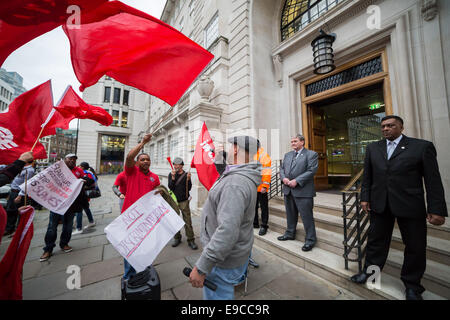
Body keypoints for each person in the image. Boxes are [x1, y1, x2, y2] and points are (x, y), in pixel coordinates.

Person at [350, 115, 447, 300]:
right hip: (380, 205)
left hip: (410, 205)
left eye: (390, 126)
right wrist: (365, 198)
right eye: (383, 126)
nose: (386, 129)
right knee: (375, 243)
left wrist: (437, 209)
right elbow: (368, 177)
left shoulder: (421, 147)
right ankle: (370, 274)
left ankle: (412, 287)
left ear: (401, 127)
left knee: (415, 247)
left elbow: (433, 180)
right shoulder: (373, 148)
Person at [189, 136, 262, 300]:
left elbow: (227, 231)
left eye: (230, 147)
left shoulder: (234, 184)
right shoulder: (240, 173)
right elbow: (224, 170)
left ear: (235, 149)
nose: (227, 149)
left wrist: (202, 267)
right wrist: (220, 153)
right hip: (232, 253)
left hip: (222, 261)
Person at [39, 154, 94, 262]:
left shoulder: (79, 171)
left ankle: (64, 244)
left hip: (71, 204)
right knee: (52, 227)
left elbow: (89, 180)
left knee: (68, 226)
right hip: (57, 203)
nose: (72, 161)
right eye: (70, 159)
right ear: (65, 160)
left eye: (74, 159)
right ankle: (48, 249)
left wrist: (84, 180)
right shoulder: (57, 169)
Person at [122, 133, 160, 280]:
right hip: (130, 217)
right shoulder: (131, 171)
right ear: (137, 162)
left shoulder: (154, 177)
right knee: (130, 247)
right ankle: (128, 275)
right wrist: (143, 142)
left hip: (146, 218)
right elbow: (129, 157)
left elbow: (157, 194)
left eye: (147, 159)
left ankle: (144, 270)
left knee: (146, 246)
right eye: (142, 159)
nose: (145, 161)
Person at [278, 134, 319, 252]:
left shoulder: (311, 154)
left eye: (295, 141)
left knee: (307, 217)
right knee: (290, 214)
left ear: (302, 142)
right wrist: (284, 178)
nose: (292, 143)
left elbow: (311, 170)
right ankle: (290, 233)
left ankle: (310, 240)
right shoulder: (287, 155)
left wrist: (297, 181)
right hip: (288, 190)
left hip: (303, 191)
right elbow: (281, 169)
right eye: (291, 141)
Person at [169, 157, 197, 250]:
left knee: (187, 221)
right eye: (175, 164)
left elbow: (189, 188)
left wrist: (188, 180)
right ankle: (177, 238)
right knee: (174, 221)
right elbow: (171, 187)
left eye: (178, 164)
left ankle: (191, 240)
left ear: (182, 165)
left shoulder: (186, 175)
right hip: (174, 201)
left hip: (184, 201)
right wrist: (173, 178)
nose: (176, 166)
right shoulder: (171, 174)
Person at [3, 157, 35, 236]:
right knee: (11, 210)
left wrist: (20, 195)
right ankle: (9, 228)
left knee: (20, 212)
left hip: (19, 193)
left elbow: (27, 184)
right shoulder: (20, 168)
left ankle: (18, 230)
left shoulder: (29, 170)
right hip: (13, 191)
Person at [72, 162, 97, 235]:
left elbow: (91, 182)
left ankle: (78, 228)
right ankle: (91, 221)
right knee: (86, 208)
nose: (78, 166)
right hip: (84, 194)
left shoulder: (83, 173)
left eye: (79, 166)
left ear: (82, 167)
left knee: (79, 210)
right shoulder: (89, 172)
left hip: (82, 193)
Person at [253, 146, 272, 236]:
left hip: (261, 187)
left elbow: (267, 171)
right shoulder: (252, 154)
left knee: (264, 207)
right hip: (253, 186)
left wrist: (265, 185)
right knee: (254, 206)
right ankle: (255, 223)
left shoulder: (263, 155)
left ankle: (264, 225)